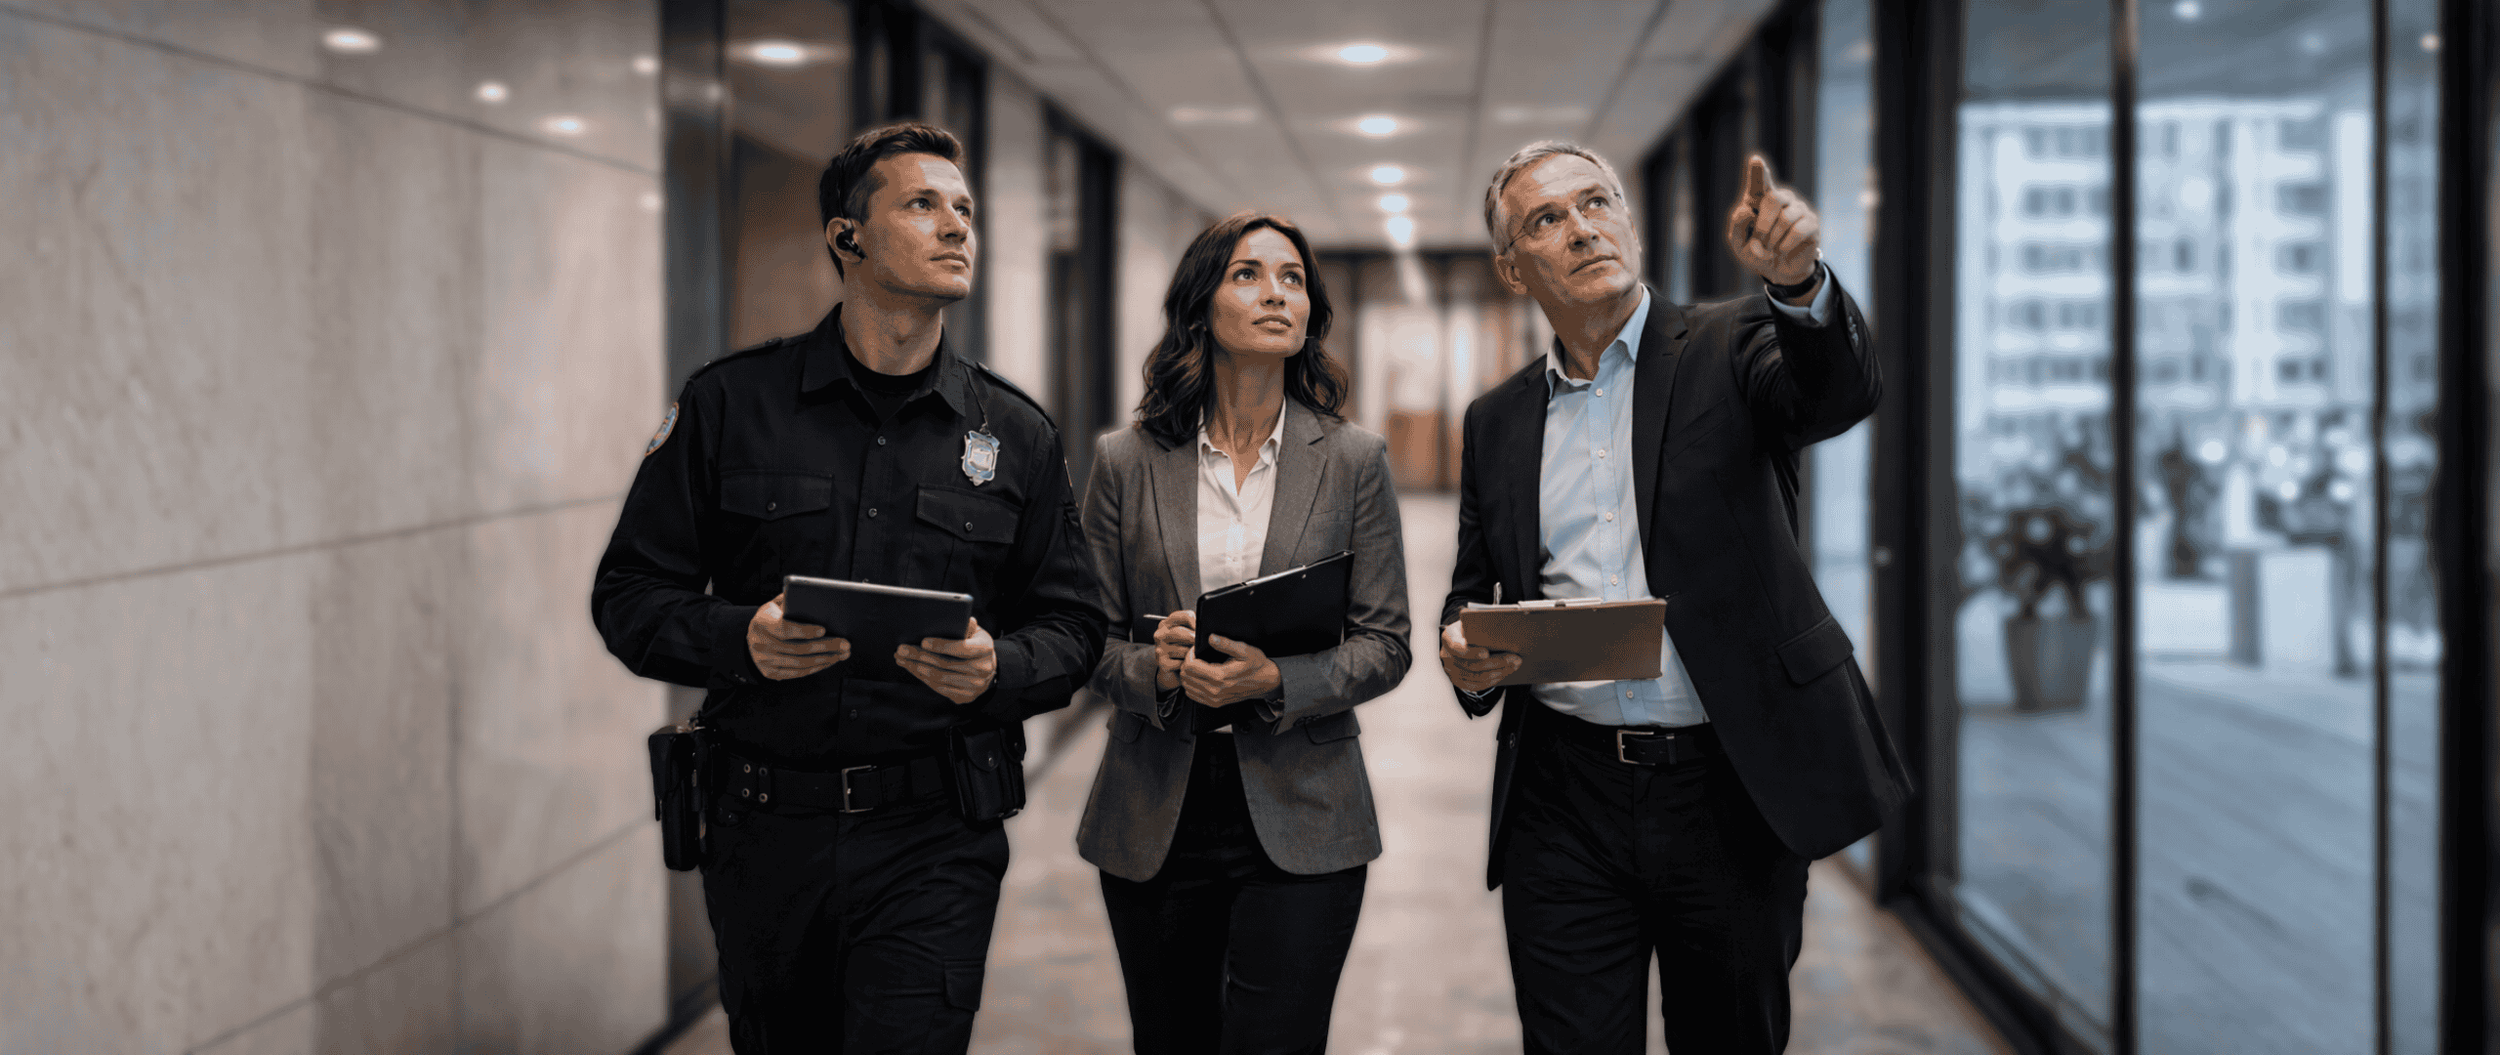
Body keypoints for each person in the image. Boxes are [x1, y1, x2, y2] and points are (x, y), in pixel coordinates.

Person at [590, 122, 1106, 1054]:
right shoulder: (728, 406)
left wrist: (998, 667)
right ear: (846, 238)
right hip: (762, 833)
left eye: (966, 210)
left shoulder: (1016, 434)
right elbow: (628, 593)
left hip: (935, 836)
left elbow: (1075, 626)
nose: (957, 226)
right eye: (923, 204)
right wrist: (738, 635)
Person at [1437, 141, 1909, 1054]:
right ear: (1511, 268)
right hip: (1562, 798)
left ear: (1628, 219)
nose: (1581, 229)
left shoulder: (1734, 343)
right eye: (1546, 219)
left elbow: (1835, 392)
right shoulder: (1496, 419)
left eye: (1596, 203)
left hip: (1727, 788)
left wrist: (1801, 284)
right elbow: (1472, 588)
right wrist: (1465, 648)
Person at [1074, 211, 1411, 1055]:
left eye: (1293, 278)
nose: (1276, 293)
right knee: (1171, 1038)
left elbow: (1386, 640)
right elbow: (1084, 637)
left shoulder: (1354, 459)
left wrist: (1277, 682)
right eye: (1249, 273)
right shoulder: (1125, 461)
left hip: (1306, 803)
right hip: (1156, 808)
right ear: (1201, 306)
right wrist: (1154, 668)